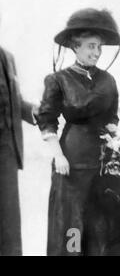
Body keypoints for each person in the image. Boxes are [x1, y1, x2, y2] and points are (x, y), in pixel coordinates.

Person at [37, 8, 120, 256]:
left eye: (99, 48)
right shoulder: (58, 79)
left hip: (105, 164)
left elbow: (112, 118)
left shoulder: (108, 80)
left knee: (108, 225)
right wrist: (58, 155)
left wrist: (118, 145)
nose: (96, 52)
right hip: (73, 162)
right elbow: (47, 119)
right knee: (74, 223)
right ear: (76, 46)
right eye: (91, 46)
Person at [0, 43, 36, 256]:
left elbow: (15, 102)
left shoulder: (8, 57)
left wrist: (40, 113)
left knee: (9, 224)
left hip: (7, 153)